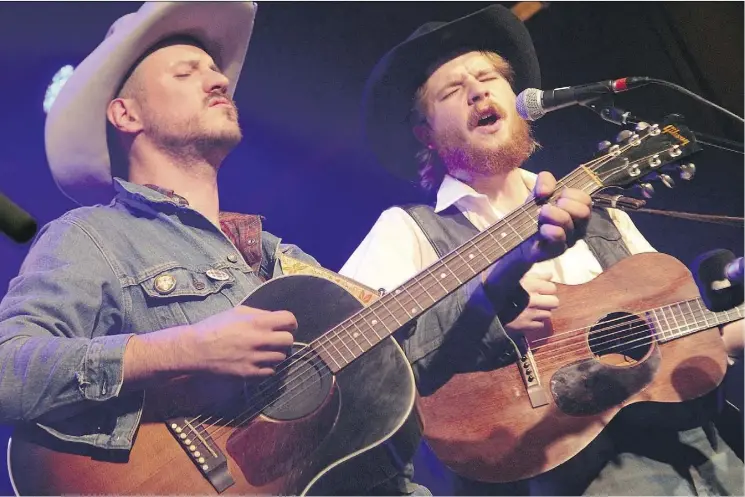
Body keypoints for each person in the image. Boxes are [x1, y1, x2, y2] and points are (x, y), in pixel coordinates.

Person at [0, 2, 591, 496]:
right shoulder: (91, 237)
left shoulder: (282, 257)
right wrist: (179, 348)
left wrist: (505, 272)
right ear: (125, 113)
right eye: (186, 73)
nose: (218, 80)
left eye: (215, 70)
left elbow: (406, 359)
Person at [340, 4, 744, 495]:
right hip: (561, 475)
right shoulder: (407, 230)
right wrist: (488, 316)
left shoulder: (599, 208)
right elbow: (361, 361)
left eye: (488, 76)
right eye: (451, 89)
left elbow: (686, 330)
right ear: (424, 132)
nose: (477, 90)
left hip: (708, 460)